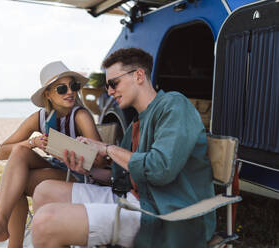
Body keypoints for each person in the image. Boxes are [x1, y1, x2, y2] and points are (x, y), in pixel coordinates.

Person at [30, 48, 216, 247]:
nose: (109, 91)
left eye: (113, 83)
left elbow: (160, 169)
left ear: (138, 75)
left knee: (45, 222)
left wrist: (108, 148)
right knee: (44, 191)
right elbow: (120, 179)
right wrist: (88, 170)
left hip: (163, 213)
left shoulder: (174, 105)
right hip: (133, 199)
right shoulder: (137, 122)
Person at [0, 61, 104, 248]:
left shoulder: (80, 115)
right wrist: (33, 142)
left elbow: (99, 160)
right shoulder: (40, 118)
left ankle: (8, 236)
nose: (70, 92)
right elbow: (2, 152)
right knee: (20, 151)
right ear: (48, 94)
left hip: (80, 175)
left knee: (15, 186)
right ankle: (0, 225)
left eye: (73, 86)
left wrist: (72, 149)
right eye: (62, 88)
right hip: (58, 169)